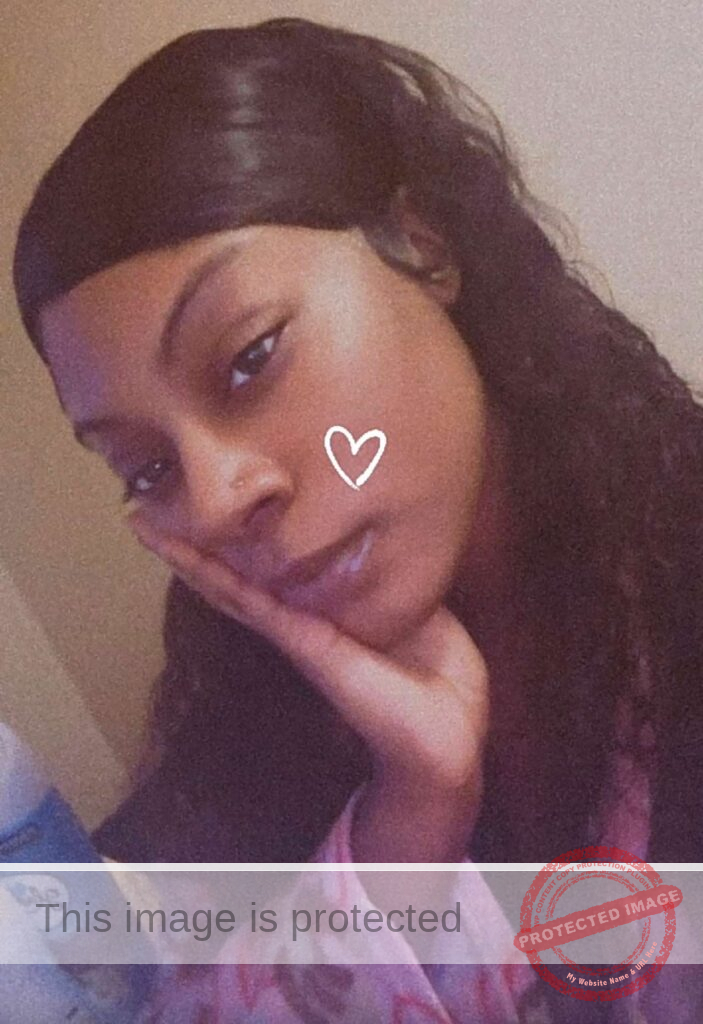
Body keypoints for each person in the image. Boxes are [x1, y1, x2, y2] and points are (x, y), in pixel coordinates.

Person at [12, 15, 703, 1022]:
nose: (215, 500)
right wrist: (408, 816)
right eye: (148, 467)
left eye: (250, 357)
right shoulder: (246, 731)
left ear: (421, 245)